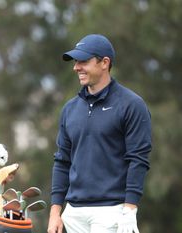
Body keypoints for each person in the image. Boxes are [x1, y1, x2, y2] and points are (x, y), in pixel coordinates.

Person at [47, 34, 151, 233]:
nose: (76, 67)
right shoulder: (70, 109)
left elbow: (138, 159)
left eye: (83, 61)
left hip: (111, 212)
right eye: (76, 62)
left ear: (104, 63)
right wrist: (55, 213)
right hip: (73, 214)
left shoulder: (131, 105)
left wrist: (130, 208)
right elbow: (62, 161)